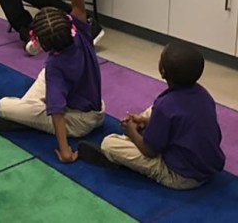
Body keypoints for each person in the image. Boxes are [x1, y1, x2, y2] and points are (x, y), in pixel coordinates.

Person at [0, 0, 104, 163]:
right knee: (43, 79)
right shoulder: (80, 29)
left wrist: (65, 151)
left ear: (43, 45)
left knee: (4, 106)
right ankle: (27, 113)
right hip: (97, 107)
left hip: (79, 123)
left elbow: (58, 113)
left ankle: (23, 118)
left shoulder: (55, 65)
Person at [78, 43, 225, 189]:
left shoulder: (166, 105)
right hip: (208, 167)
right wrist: (148, 122)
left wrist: (131, 131)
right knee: (152, 112)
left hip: (182, 176)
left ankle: (120, 151)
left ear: (162, 71)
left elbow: (149, 151)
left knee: (109, 144)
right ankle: (144, 132)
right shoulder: (204, 94)